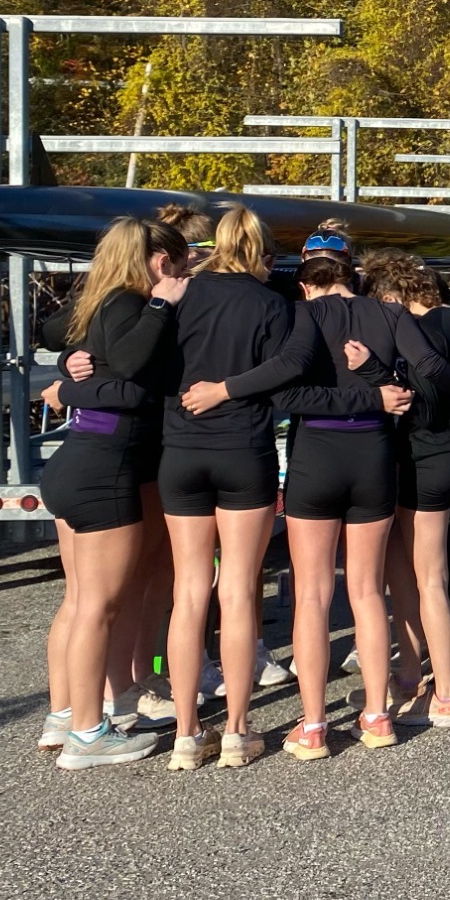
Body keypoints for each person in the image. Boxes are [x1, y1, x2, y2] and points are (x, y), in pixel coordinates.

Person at [270, 253, 450, 758]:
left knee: (313, 597)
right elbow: (427, 366)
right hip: (375, 458)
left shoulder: (304, 316)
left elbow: (287, 395)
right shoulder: (390, 314)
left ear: (307, 285)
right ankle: (378, 717)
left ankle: (314, 725)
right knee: (366, 592)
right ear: (353, 278)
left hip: (318, 454)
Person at [161, 204, 314, 768]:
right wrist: (228, 389)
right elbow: (294, 363)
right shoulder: (273, 302)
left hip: (180, 449)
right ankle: (238, 730)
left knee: (188, 592)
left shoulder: (180, 296)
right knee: (238, 590)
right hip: (242, 451)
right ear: (263, 252)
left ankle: (185, 731)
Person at [35, 218, 190, 768]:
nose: (182, 270)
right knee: (98, 607)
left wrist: (67, 374)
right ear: (156, 261)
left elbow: (73, 345)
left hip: (81, 459)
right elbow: (125, 368)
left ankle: (65, 715)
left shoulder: (103, 301)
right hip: (105, 467)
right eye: (176, 261)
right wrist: (164, 306)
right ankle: (86, 733)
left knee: (81, 602)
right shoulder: (130, 303)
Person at [358, 253, 450, 728]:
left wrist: (374, 378)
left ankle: (430, 684)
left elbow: (422, 397)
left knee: (421, 579)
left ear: (392, 298)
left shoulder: (414, 335)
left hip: (422, 458)